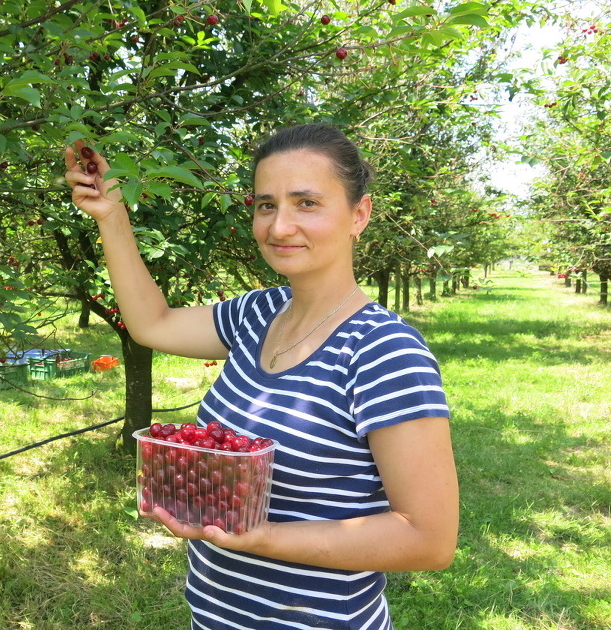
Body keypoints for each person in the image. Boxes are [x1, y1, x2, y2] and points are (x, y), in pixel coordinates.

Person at [64, 123, 458, 630]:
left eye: (307, 203)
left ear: (359, 215)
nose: (279, 226)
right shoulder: (259, 312)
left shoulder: (384, 352)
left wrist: (258, 534)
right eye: (266, 205)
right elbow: (152, 324)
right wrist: (111, 215)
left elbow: (428, 539)